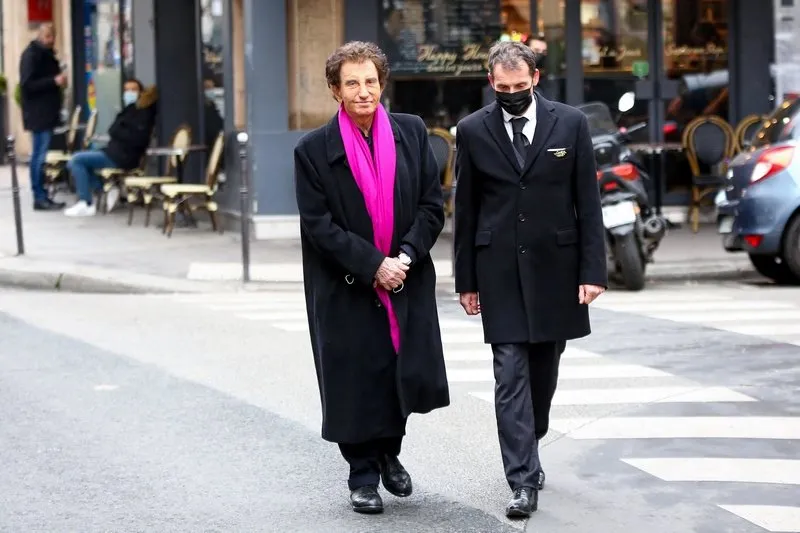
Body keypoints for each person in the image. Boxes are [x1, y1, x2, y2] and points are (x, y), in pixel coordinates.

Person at [294, 40, 449, 514]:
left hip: (404, 275)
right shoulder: (313, 150)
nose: (364, 92)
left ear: (382, 83)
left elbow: (430, 205)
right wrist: (372, 265)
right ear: (335, 90)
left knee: (397, 372)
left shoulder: (411, 132)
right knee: (355, 380)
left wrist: (403, 256)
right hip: (347, 285)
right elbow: (319, 226)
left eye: (371, 81)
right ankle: (361, 473)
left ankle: (389, 453)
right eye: (353, 83)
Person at [453, 41, 607, 519]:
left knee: (544, 368)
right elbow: (467, 208)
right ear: (490, 82)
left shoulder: (571, 124)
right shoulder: (473, 130)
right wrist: (466, 280)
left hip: (556, 269)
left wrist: (592, 271)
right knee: (509, 375)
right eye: (503, 89)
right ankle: (521, 481)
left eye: (520, 87)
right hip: (497, 269)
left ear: (536, 79)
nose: (513, 95)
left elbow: (588, 201)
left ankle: (532, 435)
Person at [63, 80, 157, 217]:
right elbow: (112, 129)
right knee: (74, 161)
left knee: (77, 160)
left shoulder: (143, 114)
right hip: (113, 151)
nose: (129, 93)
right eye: (126, 90)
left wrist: (118, 132)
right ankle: (103, 188)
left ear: (140, 92)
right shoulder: (129, 110)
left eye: (133, 90)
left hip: (123, 156)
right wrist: (118, 131)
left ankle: (86, 203)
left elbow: (135, 137)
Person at [19, 22, 67, 211]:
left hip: (46, 112)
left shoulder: (46, 54)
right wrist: (53, 81)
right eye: (47, 36)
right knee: (39, 155)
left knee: (41, 155)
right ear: (40, 36)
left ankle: (42, 194)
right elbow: (27, 84)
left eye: (52, 36)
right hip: (39, 113)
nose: (50, 40)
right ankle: (39, 196)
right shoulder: (32, 55)